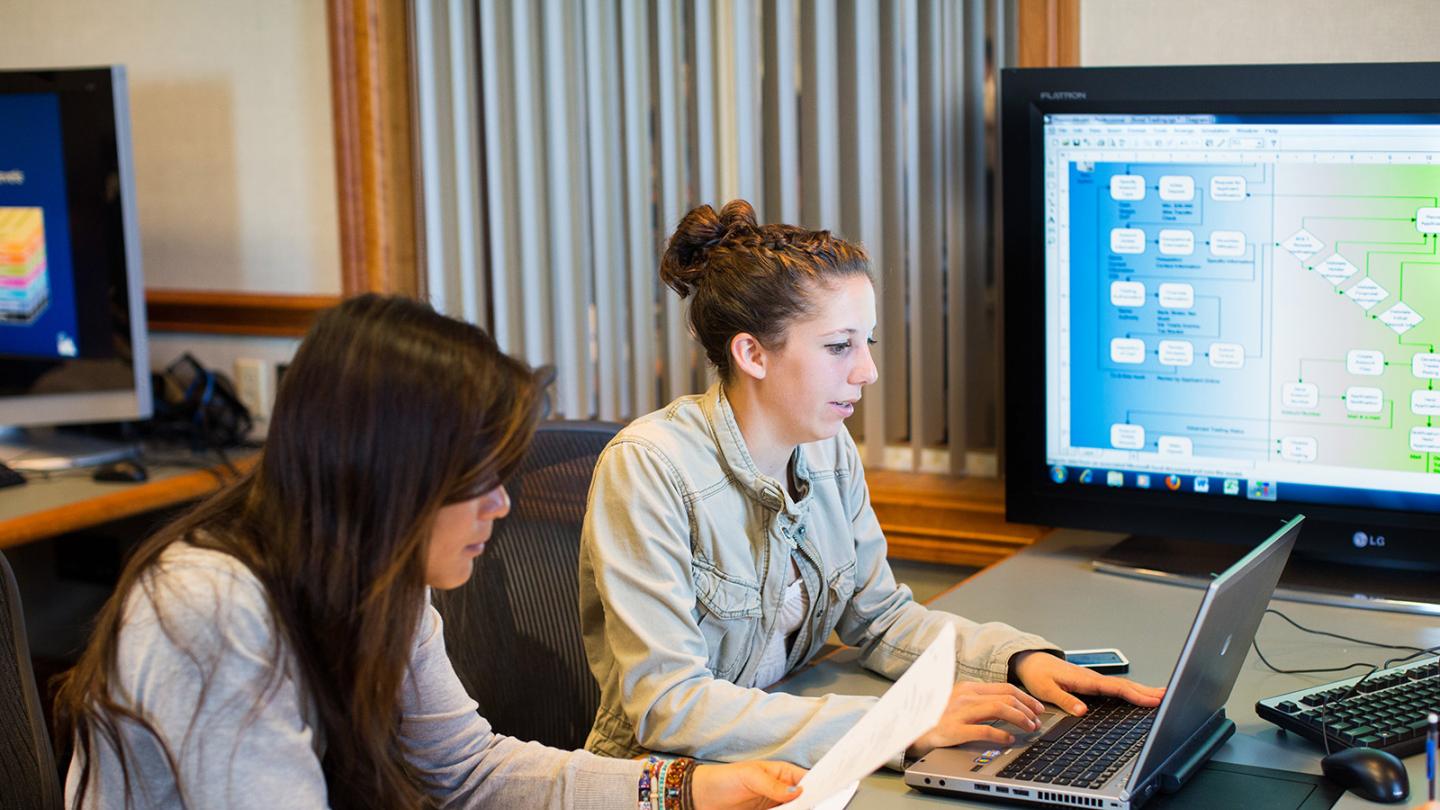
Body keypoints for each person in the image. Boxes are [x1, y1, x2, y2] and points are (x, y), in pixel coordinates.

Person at [53, 294, 804, 809]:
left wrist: (687, 790)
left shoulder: (377, 576)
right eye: (477, 480)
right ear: (394, 477)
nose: (501, 505)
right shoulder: (211, 606)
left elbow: (465, 771)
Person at [579, 200, 1165, 769]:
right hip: (669, 779)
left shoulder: (827, 448)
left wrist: (1018, 660)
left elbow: (882, 620)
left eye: (867, 342)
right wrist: (895, 724)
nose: (868, 370)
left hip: (785, 763)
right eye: (840, 346)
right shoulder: (648, 468)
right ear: (752, 353)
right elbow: (668, 706)